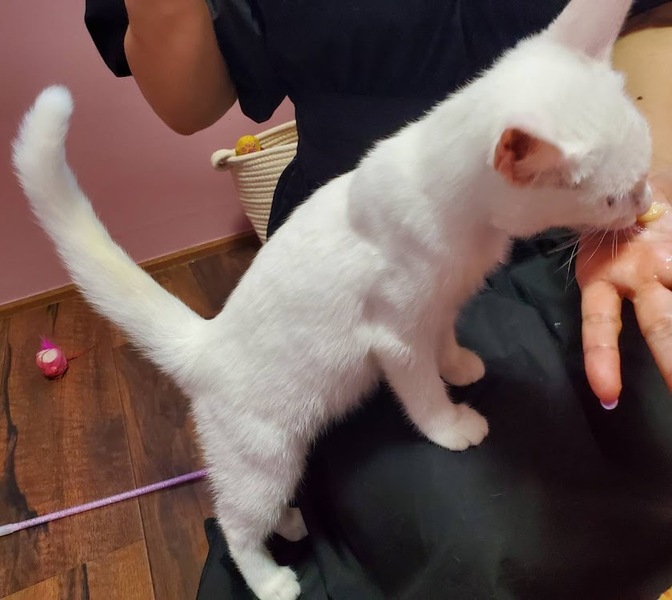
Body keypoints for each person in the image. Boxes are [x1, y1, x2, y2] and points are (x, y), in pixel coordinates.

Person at [83, 1, 672, 598]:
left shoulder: (483, 171)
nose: (640, 204)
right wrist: (437, 416)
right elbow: (397, 336)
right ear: (515, 160)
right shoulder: (423, 207)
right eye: (618, 198)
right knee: (465, 543)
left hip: (506, 246)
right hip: (273, 377)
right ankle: (248, 550)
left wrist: (643, 196)